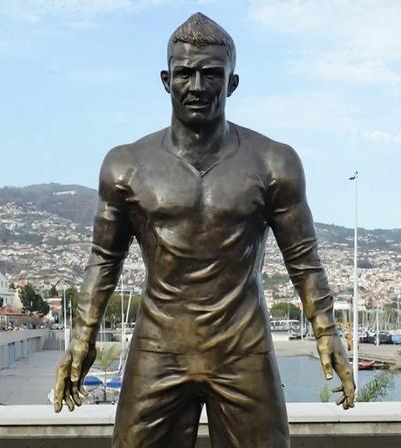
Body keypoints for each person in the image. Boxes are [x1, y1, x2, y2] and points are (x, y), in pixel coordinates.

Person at [54, 13, 355, 448]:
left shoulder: (274, 162)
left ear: (232, 82)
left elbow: (304, 261)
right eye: (185, 73)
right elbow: (104, 260)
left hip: (242, 349)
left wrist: (327, 332)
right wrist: (82, 337)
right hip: (158, 348)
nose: (196, 86)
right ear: (165, 79)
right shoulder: (126, 166)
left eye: (211, 74)